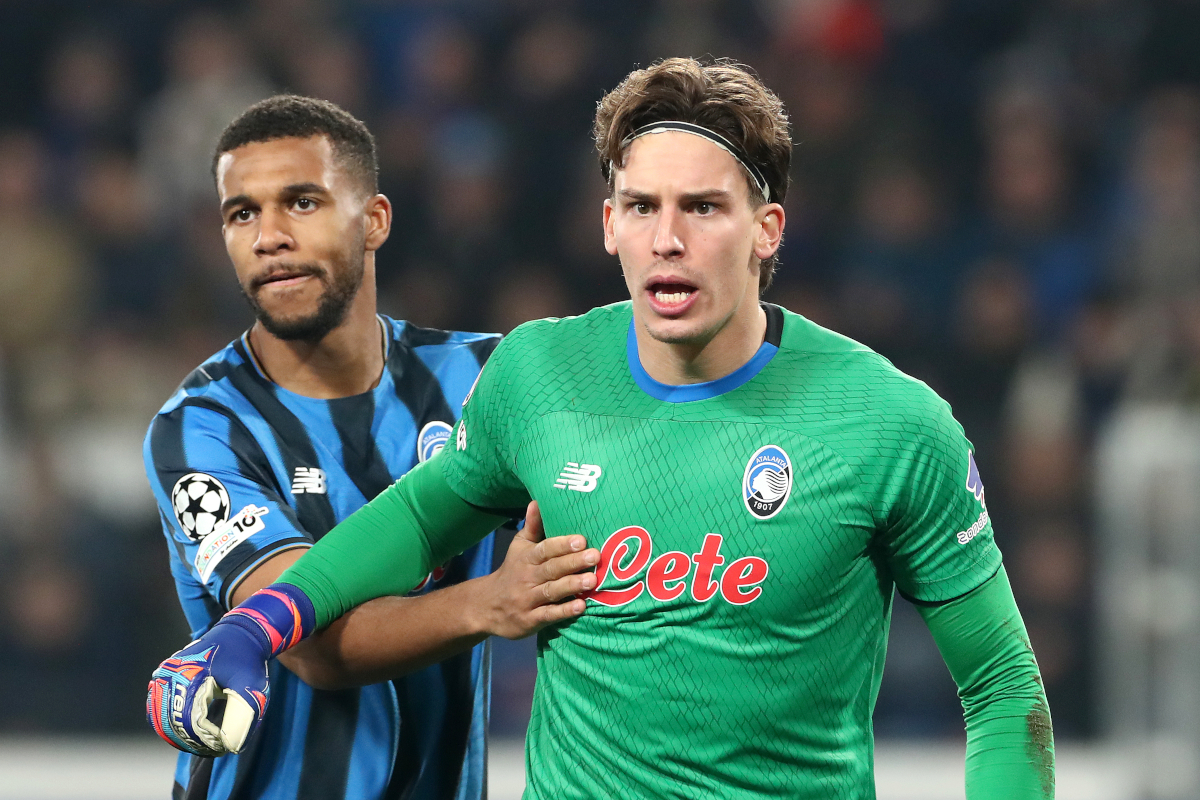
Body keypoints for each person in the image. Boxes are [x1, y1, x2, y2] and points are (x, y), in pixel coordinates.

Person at [149, 60, 1055, 798]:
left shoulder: (891, 422)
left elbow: (1003, 686)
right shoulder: (539, 376)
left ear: (765, 230)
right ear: (609, 225)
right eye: (643, 207)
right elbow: (419, 520)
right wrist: (259, 627)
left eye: (702, 208)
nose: (669, 238)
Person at [144, 95, 599, 800]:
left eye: (301, 202)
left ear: (375, 220)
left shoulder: (486, 381)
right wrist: (489, 603)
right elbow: (309, 643)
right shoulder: (203, 426)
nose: (269, 236)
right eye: (243, 213)